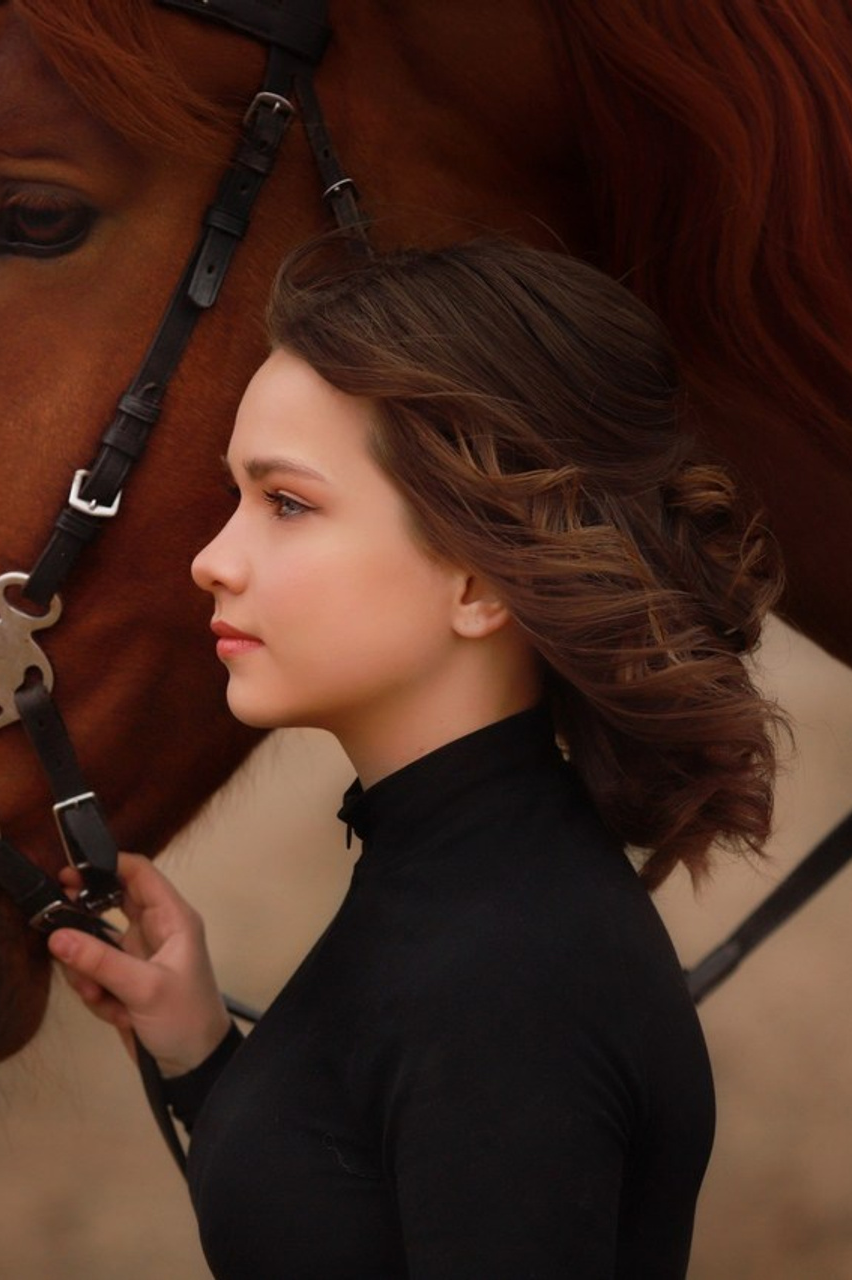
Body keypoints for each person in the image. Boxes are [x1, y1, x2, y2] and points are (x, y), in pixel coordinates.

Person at [46, 239, 786, 1278]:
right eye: (235, 495)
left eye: (286, 503)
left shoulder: (511, 980)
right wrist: (198, 1052)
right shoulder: (454, 878)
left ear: (483, 580)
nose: (212, 558)